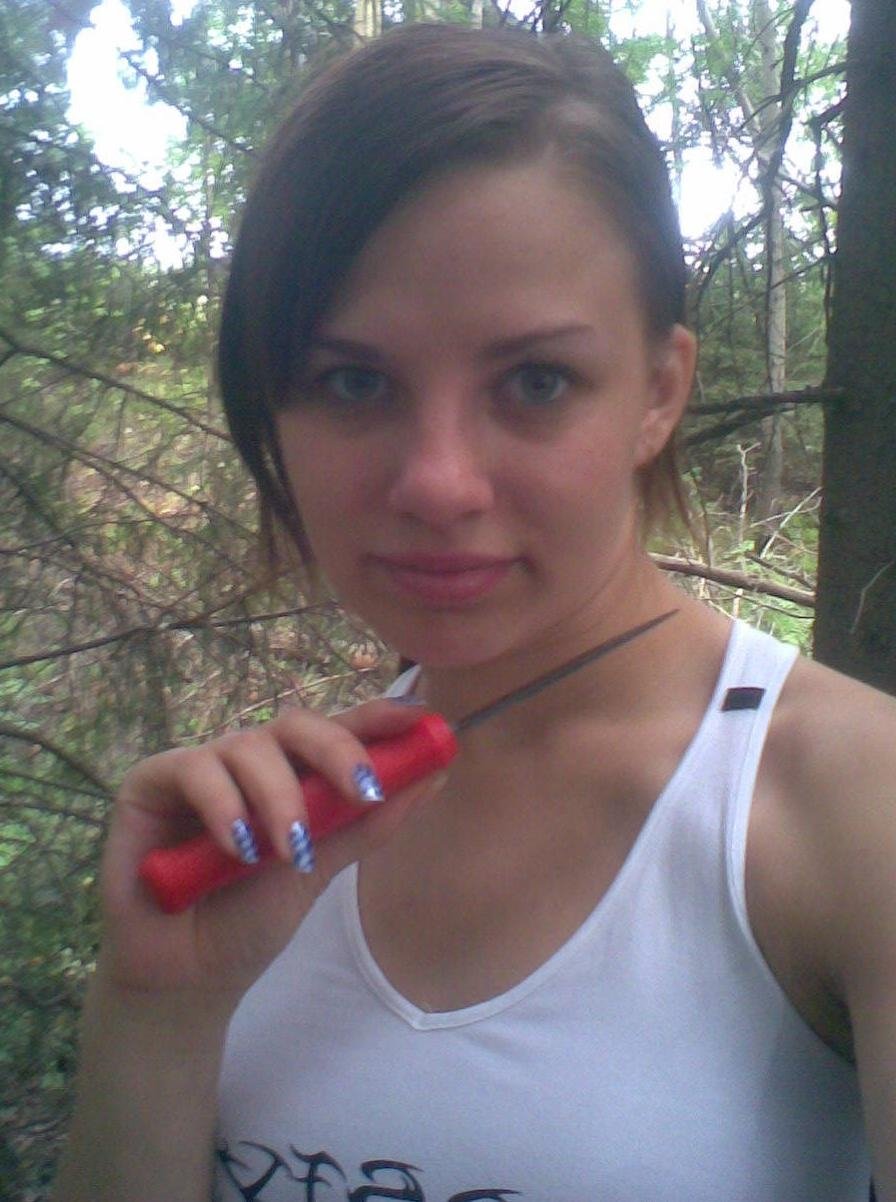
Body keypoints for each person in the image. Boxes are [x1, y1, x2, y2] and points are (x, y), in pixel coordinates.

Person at [53, 23, 896, 1202]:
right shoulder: (280, 833)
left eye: (534, 382)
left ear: (658, 391)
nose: (437, 483)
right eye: (353, 382)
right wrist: (160, 1006)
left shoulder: (849, 803)